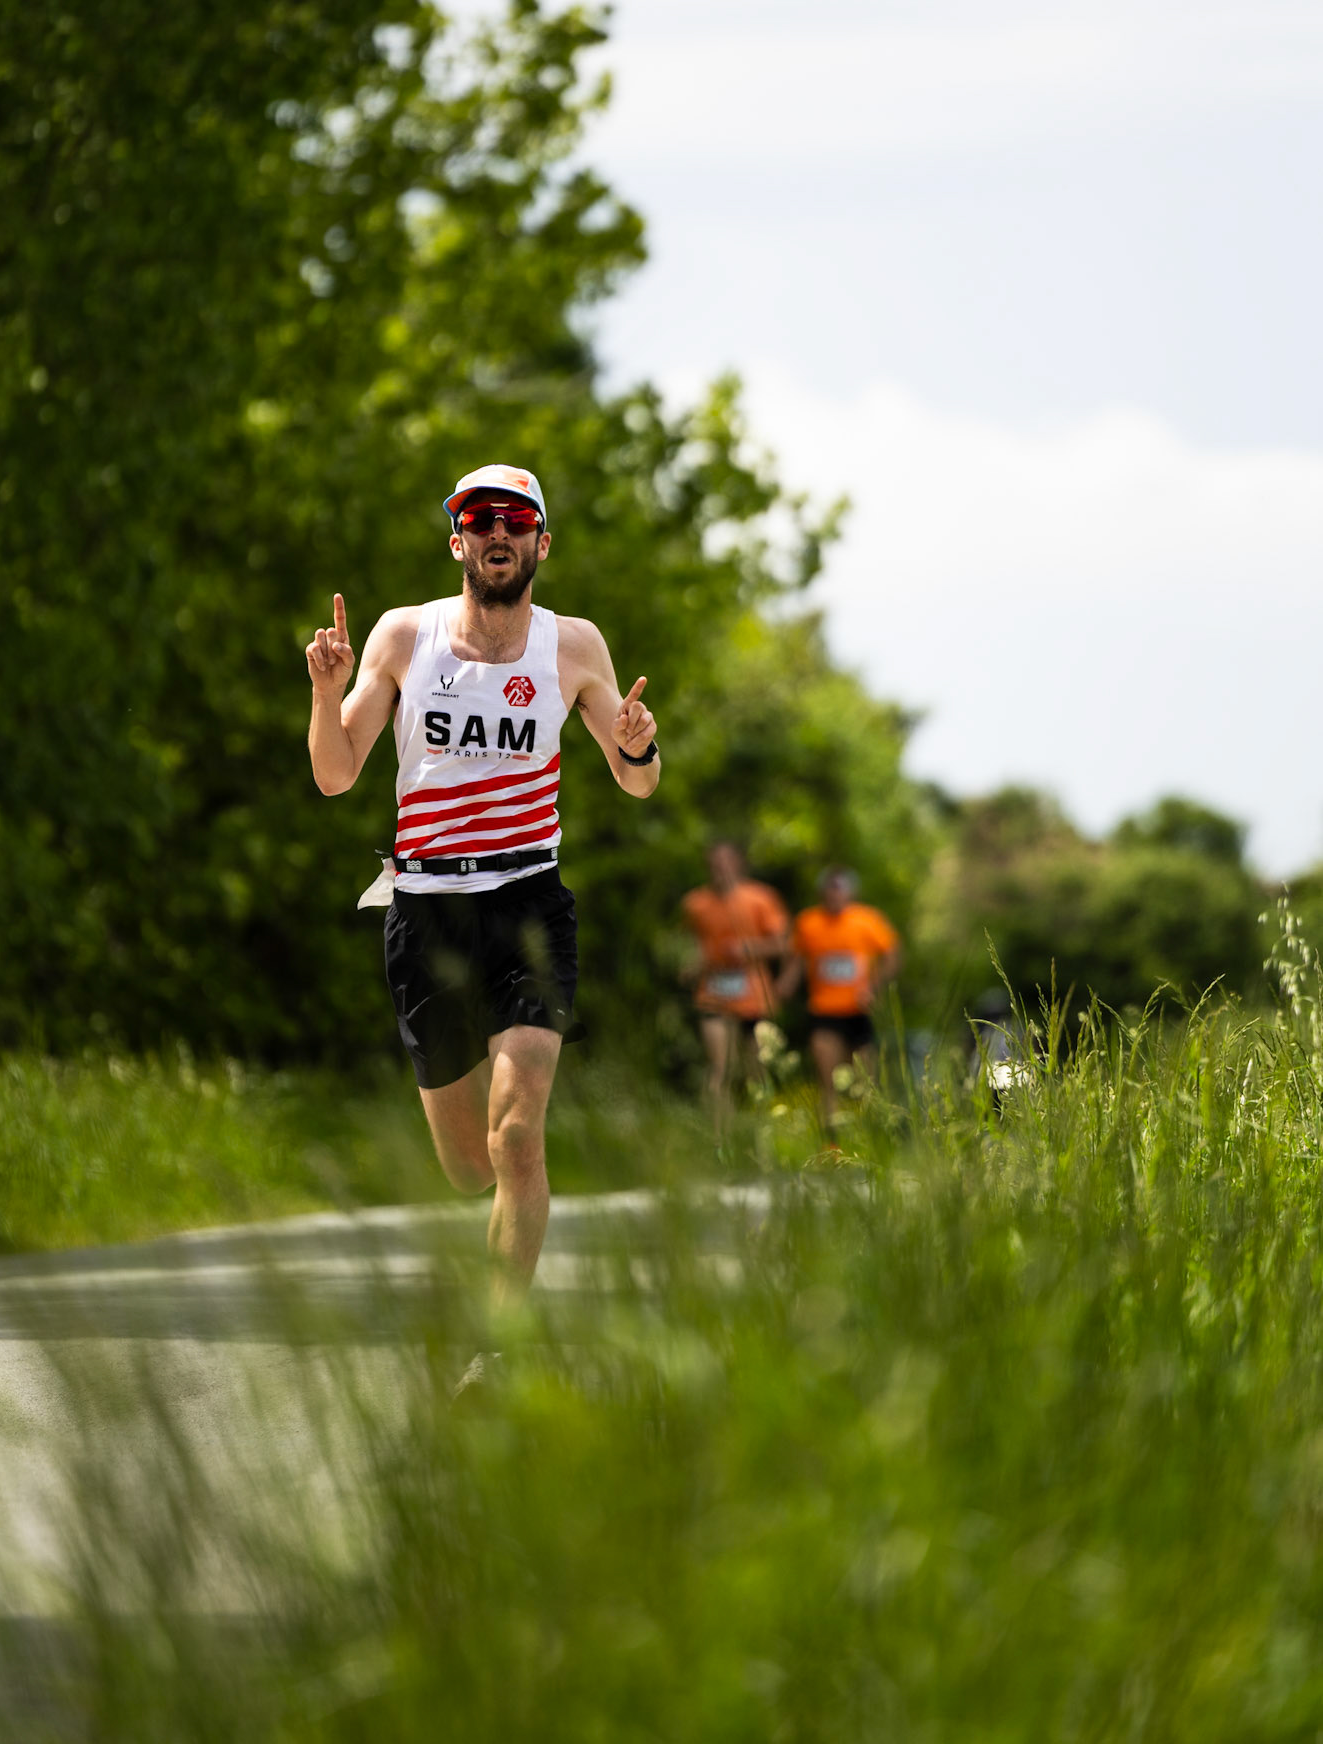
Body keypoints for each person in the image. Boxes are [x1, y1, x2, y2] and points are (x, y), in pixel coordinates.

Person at [305, 464, 659, 1307]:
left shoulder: (572, 645)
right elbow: (334, 774)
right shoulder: (401, 636)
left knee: (516, 1137)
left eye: (516, 519)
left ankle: (496, 1347)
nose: (499, 531)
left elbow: (637, 780)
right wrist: (325, 695)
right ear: (457, 539)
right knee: (468, 1167)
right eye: (480, 517)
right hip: (424, 911)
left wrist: (637, 742)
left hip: (527, 905)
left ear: (542, 540)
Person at [680, 841, 789, 1138]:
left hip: (754, 995)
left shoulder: (761, 898)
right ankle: (720, 1142)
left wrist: (750, 948)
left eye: (726, 862)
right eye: (715, 863)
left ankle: (764, 1141)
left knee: (757, 1072)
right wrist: (690, 964)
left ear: (739, 864)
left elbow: (782, 944)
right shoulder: (695, 903)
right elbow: (691, 945)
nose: (721, 868)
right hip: (713, 994)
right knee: (720, 1069)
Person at [780, 868, 901, 1129]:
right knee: (828, 1080)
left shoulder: (867, 920)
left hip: (858, 1011)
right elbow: (797, 958)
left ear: (850, 892)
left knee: (865, 1081)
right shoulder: (808, 922)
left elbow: (892, 955)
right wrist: (785, 985)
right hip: (824, 1011)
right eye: (830, 889)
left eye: (840, 889)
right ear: (822, 892)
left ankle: (867, 1137)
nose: (835, 895)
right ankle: (832, 1144)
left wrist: (873, 986)